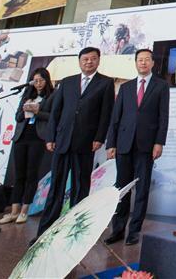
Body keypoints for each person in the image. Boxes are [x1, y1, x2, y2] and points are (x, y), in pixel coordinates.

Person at [32, 47, 114, 243]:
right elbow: (56, 112)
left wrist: (99, 138)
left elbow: (106, 114)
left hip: (85, 143)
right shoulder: (67, 82)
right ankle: (44, 233)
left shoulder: (105, 83)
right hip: (62, 141)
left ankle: (74, 233)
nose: (89, 62)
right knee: (56, 188)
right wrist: (50, 137)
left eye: (93, 59)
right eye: (85, 59)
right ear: (79, 61)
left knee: (80, 188)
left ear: (98, 61)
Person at [104, 49, 169, 246]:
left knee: (141, 189)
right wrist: (111, 143)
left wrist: (159, 142)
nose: (143, 63)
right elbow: (115, 118)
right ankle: (118, 229)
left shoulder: (161, 86)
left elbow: (163, 117)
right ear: (135, 63)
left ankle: (134, 231)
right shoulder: (126, 87)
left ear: (152, 63)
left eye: (146, 60)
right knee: (121, 190)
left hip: (146, 145)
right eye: (139, 60)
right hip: (124, 143)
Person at [0, 67, 54, 225]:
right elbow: (18, 117)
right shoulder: (27, 95)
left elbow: (53, 116)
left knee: (31, 175)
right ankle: (14, 211)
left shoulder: (52, 96)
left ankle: (24, 210)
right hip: (21, 137)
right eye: (35, 81)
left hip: (37, 138)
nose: (39, 83)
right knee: (19, 175)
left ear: (47, 81)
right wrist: (25, 109)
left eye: (41, 80)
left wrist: (37, 111)